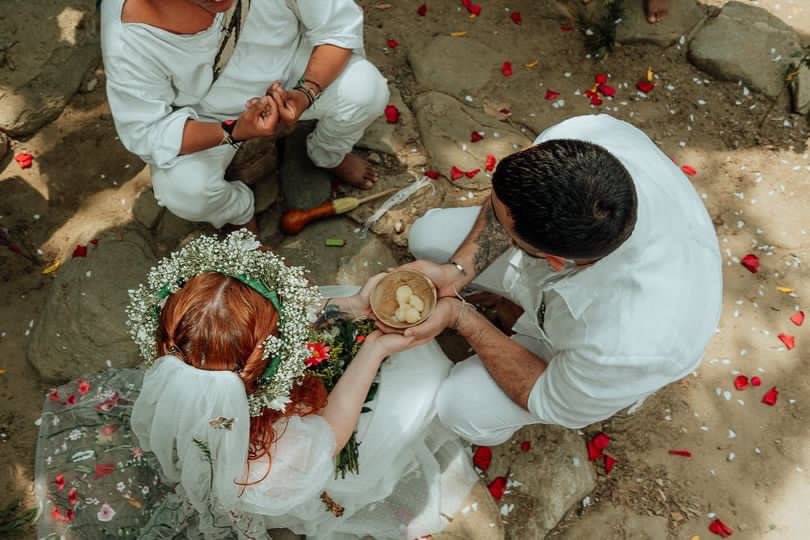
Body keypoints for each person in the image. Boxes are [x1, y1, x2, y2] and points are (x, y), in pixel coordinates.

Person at [34, 231, 477, 539]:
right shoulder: (273, 458)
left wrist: (357, 306)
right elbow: (334, 433)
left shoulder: (186, 354)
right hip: (298, 453)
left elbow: (282, 323)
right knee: (425, 376)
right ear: (268, 361)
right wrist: (376, 350)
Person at [401, 114, 722, 446]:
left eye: (504, 229)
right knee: (429, 237)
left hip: (587, 339)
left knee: (462, 407)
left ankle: (544, 347)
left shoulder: (625, 349)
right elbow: (507, 206)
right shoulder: (584, 140)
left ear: (553, 260)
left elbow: (544, 395)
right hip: (560, 271)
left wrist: (461, 317)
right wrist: (458, 271)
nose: (492, 214)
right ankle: (511, 301)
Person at [100, 0, 388, 231]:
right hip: (210, 113)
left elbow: (337, 26)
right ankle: (237, 212)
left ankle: (327, 153)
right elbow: (147, 131)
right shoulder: (129, 37)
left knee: (366, 90)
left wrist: (305, 93)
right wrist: (234, 129)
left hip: (293, 68)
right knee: (185, 191)